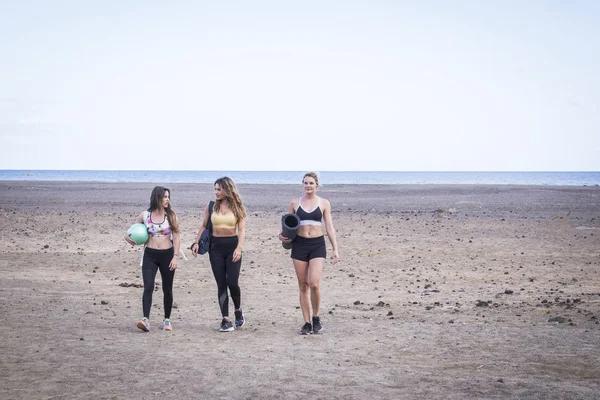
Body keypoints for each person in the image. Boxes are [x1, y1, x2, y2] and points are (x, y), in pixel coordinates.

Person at [279, 172, 340, 335]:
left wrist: (335, 249)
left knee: (314, 283)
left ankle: (316, 317)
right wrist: (282, 236)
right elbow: (288, 226)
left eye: (311, 183)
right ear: (302, 184)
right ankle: (306, 323)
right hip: (299, 245)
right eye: (305, 183)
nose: (308, 186)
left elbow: (329, 227)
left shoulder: (324, 203)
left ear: (316, 185)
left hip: (317, 245)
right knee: (303, 285)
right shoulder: (294, 203)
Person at [192, 177, 247, 332]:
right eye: (215, 189)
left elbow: (241, 230)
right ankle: (225, 319)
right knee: (221, 283)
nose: (216, 192)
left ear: (227, 189)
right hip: (215, 248)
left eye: (219, 189)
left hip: (232, 247)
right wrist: (196, 243)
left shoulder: (238, 207)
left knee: (233, 282)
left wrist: (239, 248)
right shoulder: (211, 206)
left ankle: (238, 311)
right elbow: (204, 226)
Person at [124, 186, 180, 332]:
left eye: (168, 197)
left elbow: (177, 236)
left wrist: (175, 257)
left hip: (167, 255)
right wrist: (128, 238)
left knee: (167, 289)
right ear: (157, 198)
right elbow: (132, 231)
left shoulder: (171, 215)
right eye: (164, 197)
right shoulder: (145, 215)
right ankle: (145, 320)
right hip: (150, 255)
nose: (167, 199)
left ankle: (167, 320)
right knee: (148, 287)